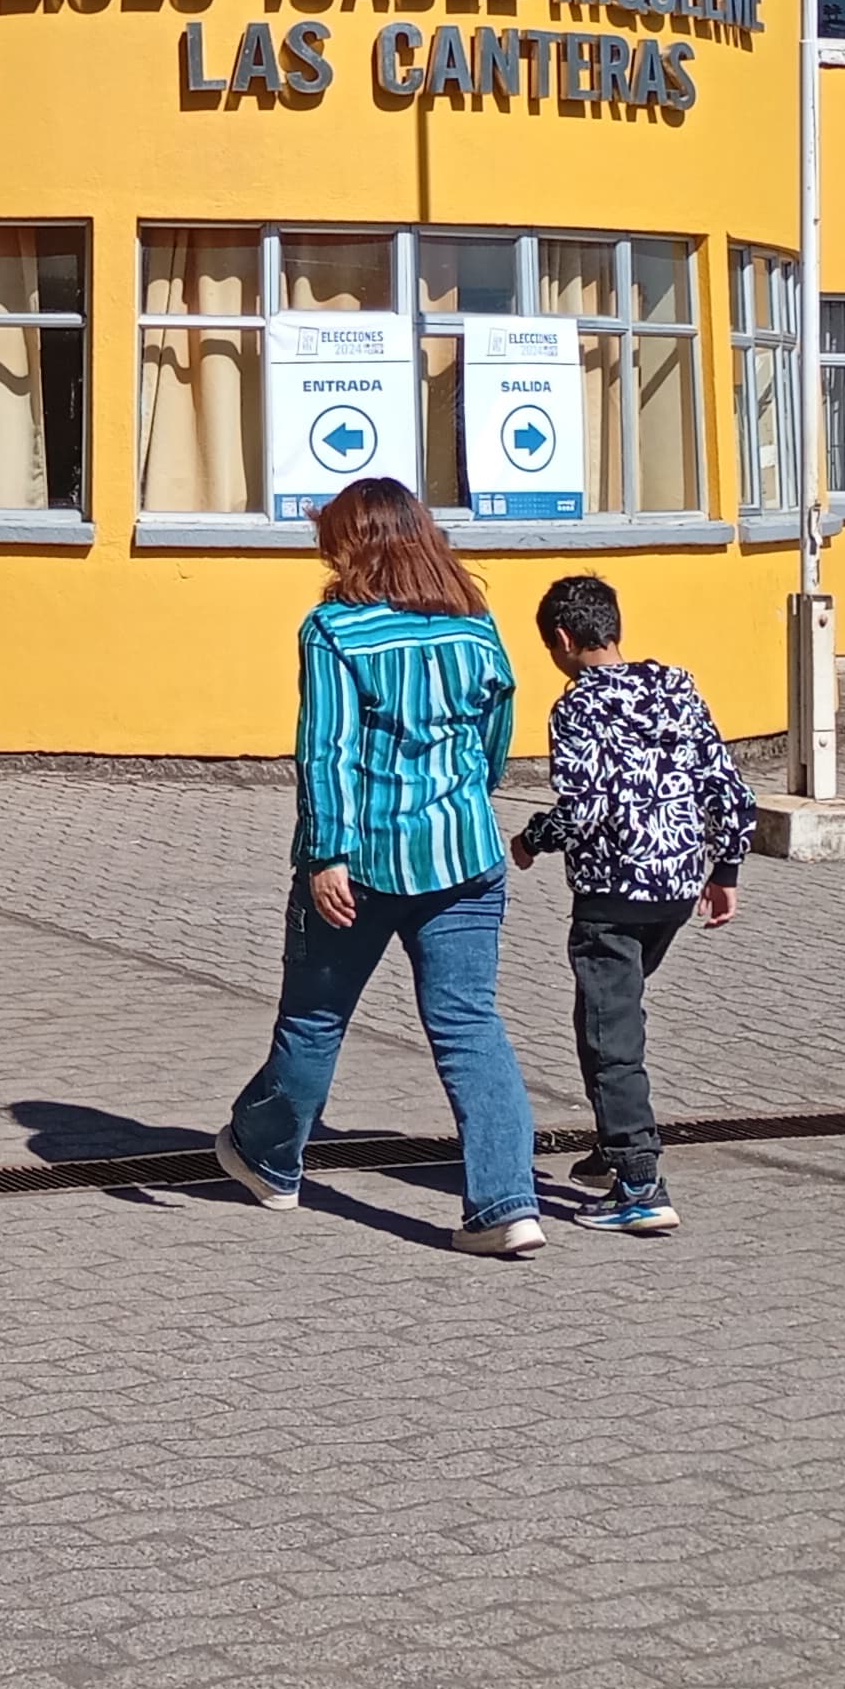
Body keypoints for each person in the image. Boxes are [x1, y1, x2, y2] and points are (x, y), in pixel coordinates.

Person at [213, 477, 545, 1257]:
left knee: (314, 1020)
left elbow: (323, 750)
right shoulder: (475, 626)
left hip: (361, 863)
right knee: (470, 1028)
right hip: (465, 851)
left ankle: (268, 1157)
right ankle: (505, 1205)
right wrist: (466, 797)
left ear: (351, 542)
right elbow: (497, 734)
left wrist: (327, 853)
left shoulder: (333, 629)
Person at [509, 573, 754, 1237]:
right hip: (675, 887)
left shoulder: (576, 707)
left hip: (611, 894)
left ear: (562, 639)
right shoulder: (676, 686)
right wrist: (724, 868)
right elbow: (726, 786)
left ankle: (640, 1182)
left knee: (611, 1036)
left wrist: (532, 840)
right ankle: (612, 1147)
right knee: (608, 1017)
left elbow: (583, 808)